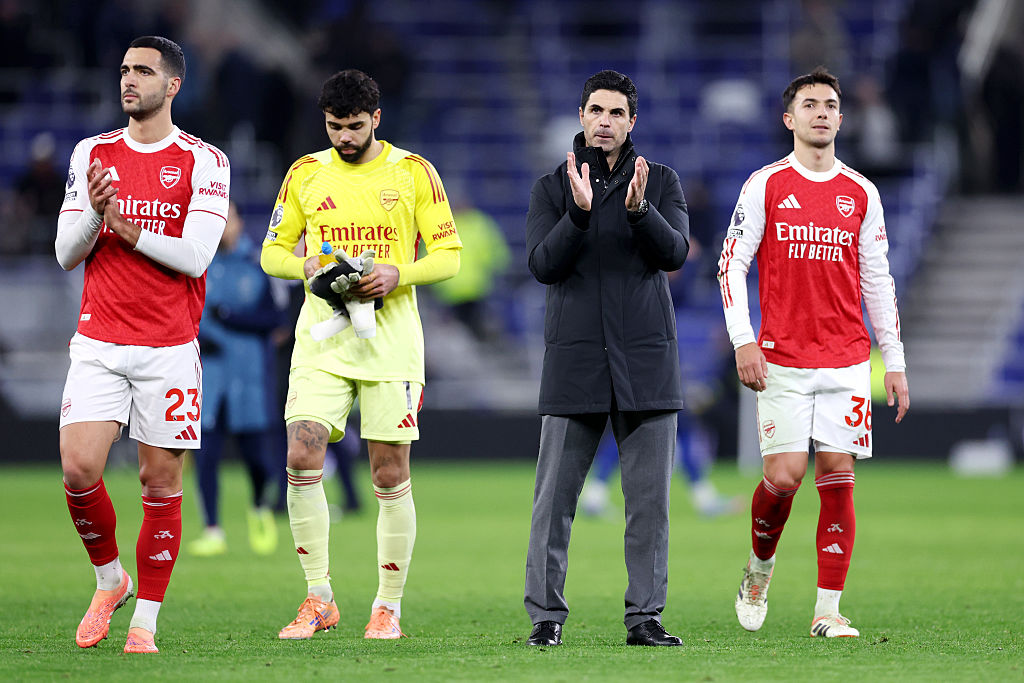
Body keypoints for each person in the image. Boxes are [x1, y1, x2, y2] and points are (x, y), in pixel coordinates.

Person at [260, 69, 461, 641]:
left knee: (388, 471)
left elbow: (448, 256)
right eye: (334, 127)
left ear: (376, 119)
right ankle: (317, 597)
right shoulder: (305, 173)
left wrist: (398, 273)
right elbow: (272, 251)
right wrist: (305, 268)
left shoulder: (413, 173)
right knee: (301, 453)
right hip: (322, 338)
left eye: (353, 126)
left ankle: (387, 606)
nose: (344, 137)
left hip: (391, 343)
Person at [718, 67, 909, 639]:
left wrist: (893, 361)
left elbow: (878, 280)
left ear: (841, 118)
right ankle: (759, 569)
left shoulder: (861, 193)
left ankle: (827, 610)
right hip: (782, 359)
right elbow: (731, 264)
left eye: (830, 104)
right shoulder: (765, 185)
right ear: (789, 118)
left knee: (837, 472)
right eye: (810, 104)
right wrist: (744, 340)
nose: (821, 112)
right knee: (784, 476)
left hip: (849, 359)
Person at [55, 35, 230, 654]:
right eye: (124, 69)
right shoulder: (91, 152)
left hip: (168, 347)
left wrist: (125, 228)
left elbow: (196, 255)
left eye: (143, 71)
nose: (129, 80)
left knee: (160, 484)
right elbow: (64, 253)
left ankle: (145, 625)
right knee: (79, 468)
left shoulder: (204, 161)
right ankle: (110, 580)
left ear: (172, 85)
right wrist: (97, 216)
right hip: (99, 339)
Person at [523, 70, 690, 647]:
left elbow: (674, 254)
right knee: (553, 505)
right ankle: (546, 619)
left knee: (649, 508)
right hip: (575, 366)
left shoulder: (661, 182)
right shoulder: (552, 188)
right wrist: (580, 214)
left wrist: (641, 211)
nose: (605, 121)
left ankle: (645, 618)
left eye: (617, 113)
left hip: (645, 365)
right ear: (581, 115)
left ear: (632, 122)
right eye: (596, 110)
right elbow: (543, 265)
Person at [188, 203, 281, 558]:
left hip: (249, 375)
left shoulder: (259, 264)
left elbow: (273, 318)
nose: (222, 226)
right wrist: (197, 337)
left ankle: (259, 505)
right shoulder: (199, 262)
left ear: (240, 221)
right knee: (206, 453)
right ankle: (212, 529)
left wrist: (229, 318)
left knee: (257, 457)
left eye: (227, 218)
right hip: (210, 376)